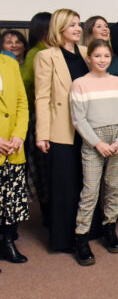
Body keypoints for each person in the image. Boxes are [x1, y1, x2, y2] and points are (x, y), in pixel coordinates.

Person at [69, 40, 118, 266]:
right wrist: (96, 143)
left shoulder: (117, 82)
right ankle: (81, 237)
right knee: (91, 190)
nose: (102, 60)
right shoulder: (80, 84)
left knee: (114, 187)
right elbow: (78, 119)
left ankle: (110, 229)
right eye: (97, 56)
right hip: (93, 140)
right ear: (89, 58)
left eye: (106, 56)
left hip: (117, 140)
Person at [34, 9, 88, 252]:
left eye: (79, 24)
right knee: (65, 186)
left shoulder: (88, 54)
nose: (78, 28)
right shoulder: (47, 56)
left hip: (88, 129)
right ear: (60, 28)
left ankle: (88, 230)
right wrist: (42, 133)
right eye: (72, 25)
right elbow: (42, 97)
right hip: (61, 130)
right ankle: (64, 239)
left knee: (87, 183)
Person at [20, 12, 51, 226]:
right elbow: (27, 90)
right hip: (38, 119)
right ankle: (47, 213)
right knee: (43, 171)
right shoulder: (35, 54)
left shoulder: (54, 51)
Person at [0, 52, 30, 266]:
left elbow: (21, 102)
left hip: (13, 145)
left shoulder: (9, 63)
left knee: (12, 200)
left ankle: (7, 242)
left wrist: (19, 134)